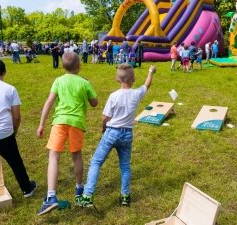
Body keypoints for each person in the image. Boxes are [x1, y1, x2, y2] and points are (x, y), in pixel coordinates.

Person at [75, 63, 156, 208]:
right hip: (127, 135)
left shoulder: (113, 96)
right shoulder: (137, 93)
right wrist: (151, 71)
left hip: (111, 133)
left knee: (96, 163)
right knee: (125, 166)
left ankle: (87, 196)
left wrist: (103, 128)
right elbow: (147, 84)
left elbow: (105, 117)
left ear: (117, 79)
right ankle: (125, 196)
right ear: (134, 79)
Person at [37, 52, 98, 216]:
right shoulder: (84, 82)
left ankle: (51, 197)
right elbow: (95, 103)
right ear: (79, 66)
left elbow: (49, 101)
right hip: (77, 123)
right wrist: (87, 85)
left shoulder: (58, 81)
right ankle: (79, 189)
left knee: (54, 156)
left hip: (59, 122)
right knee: (76, 155)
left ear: (63, 66)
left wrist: (42, 124)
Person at [0, 59, 37, 198]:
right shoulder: (10, 89)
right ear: (4, 73)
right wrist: (14, 132)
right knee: (15, 161)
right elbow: (16, 117)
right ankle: (27, 188)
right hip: (5, 134)